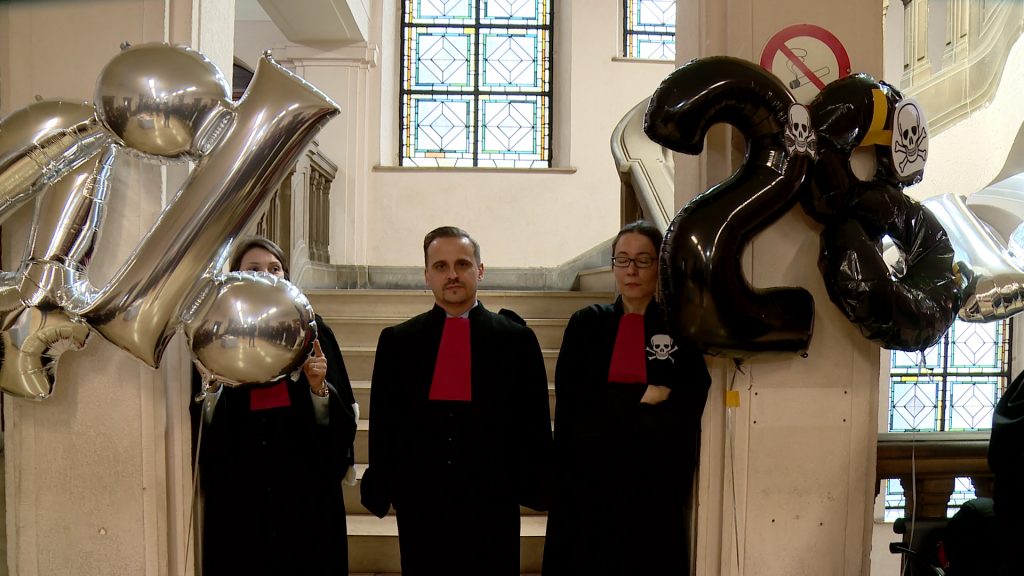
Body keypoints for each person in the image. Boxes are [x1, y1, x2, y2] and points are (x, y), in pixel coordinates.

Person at [360, 226, 553, 576]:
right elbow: (386, 424)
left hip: (492, 499)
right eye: (440, 266)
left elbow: (534, 422)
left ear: (480, 270)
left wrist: (535, 481)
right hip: (423, 501)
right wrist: (387, 484)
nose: (452, 275)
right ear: (426, 276)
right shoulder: (399, 342)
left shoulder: (516, 341)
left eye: (462, 264)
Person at [542, 220, 711, 575]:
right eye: (623, 259)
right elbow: (576, 400)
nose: (631, 270)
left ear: (659, 265)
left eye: (643, 260)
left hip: (652, 482)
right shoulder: (587, 323)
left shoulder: (679, 328)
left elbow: (689, 398)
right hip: (588, 479)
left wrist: (616, 403)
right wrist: (646, 396)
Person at [191, 237, 358, 576]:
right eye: (253, 270)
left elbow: (340, 427)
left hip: (305, 492)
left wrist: (317, 389)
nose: (267, 276)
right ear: (236, 277)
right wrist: (212, 386)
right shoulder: (215, 332)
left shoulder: (315, 331)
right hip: (241, 496)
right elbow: (204, 432)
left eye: (274, 269)